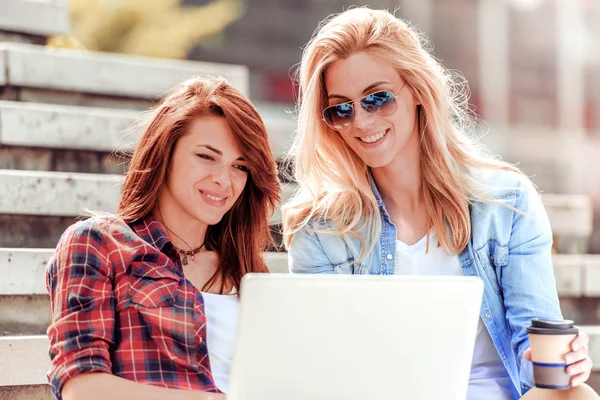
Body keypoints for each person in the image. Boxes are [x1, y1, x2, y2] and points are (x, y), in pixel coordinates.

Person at [282, 7, 593, 399]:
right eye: (342, 108)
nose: (361, 122)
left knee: (574, 394)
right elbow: (327, 368)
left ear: (417, 91)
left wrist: (566, 360)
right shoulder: (321, 229)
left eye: (377, 99)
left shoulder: (506, 203)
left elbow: (534, 350)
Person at [46, 76, 281, 400]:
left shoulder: (245, 272)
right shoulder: (98, 243)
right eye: (207, 156)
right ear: (165, 152)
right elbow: (82, 388)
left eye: (240, 166)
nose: (223, 180)